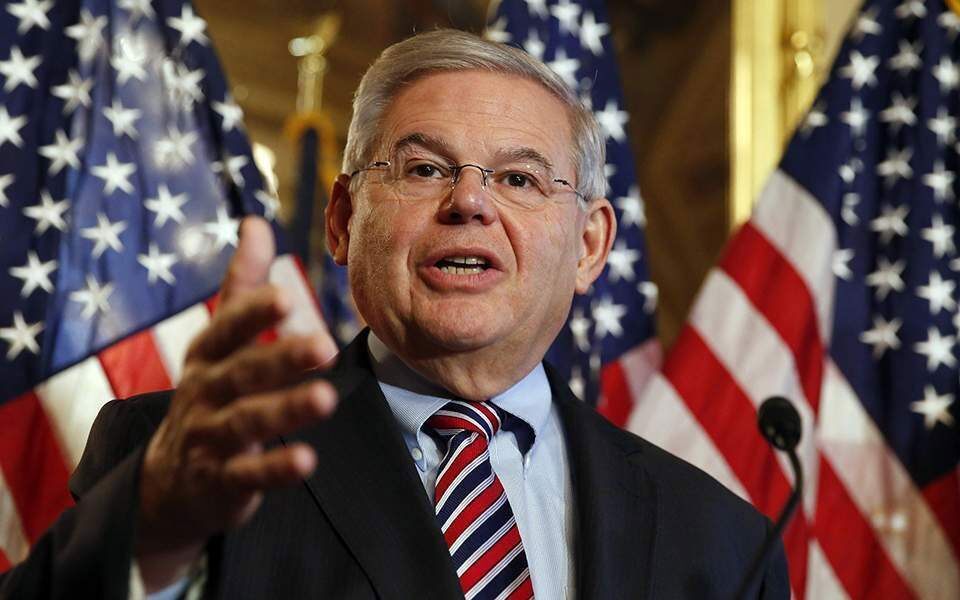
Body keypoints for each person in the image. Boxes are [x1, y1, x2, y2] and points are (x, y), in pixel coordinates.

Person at [0, 29, 788, 599]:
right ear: (343, 221)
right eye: (424, 168)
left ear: (589, 246)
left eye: (518, 179)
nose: (470, 201)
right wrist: (150, 536)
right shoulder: (180, 463)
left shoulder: (722, 541)